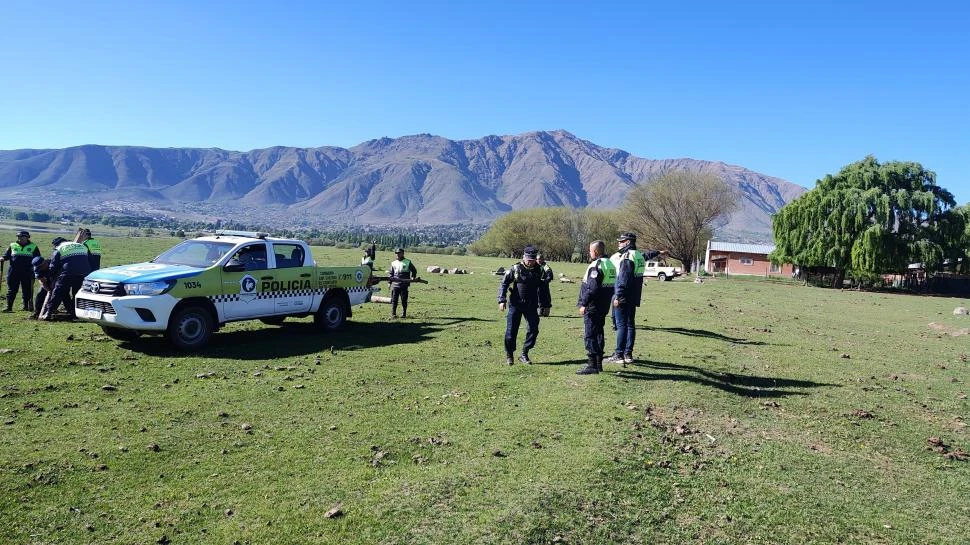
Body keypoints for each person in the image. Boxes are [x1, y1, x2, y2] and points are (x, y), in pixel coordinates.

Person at [605, 232, 661, 366]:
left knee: (621, 325)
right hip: (634, 295)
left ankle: (619, 354)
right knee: (630, 325)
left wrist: (618, 295)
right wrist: (658, 252)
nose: (619, 243)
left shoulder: (627, 256)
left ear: (628, 242)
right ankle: (628, 354)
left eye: (621, 241)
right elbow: (645, 258)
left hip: (623, 295)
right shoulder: (638, 256)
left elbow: (623, 278)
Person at [497, 245, 545, 365]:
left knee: (533, 330)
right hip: (515, 304)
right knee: (511, 332)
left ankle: (524, 353)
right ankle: (509, 354)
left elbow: (543, 289)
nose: (530, 262)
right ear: (524, 257)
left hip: (531, 305)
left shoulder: (539, 270)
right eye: (528, 259)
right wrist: (502, 299)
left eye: (532, 260)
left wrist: (545, 304)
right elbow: (504, 283)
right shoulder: (515, 269)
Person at [576, 240, 617, 375]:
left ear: (595, 251)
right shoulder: (610, 264)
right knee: (599, 332)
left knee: (590, 334)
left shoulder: (596, 265)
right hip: (604, 305)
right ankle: (599, 363)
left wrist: (584, 304)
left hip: (593, 305)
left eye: (590, 250)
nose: (589, 253)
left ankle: (592, 365)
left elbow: (592, 288)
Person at [41, 237, 92, 321]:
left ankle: (48, 313)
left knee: (58, 292)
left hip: (68, 272)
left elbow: (53, 266)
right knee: (77, 293)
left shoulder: (59, 248)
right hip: (84, 273)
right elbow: (91, 260)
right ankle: (75, 314)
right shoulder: (82, 246)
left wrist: (46, 276)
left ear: (56, 244)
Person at [1, 230, 41, 312]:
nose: (20, 238)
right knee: (12, 290)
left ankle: (26, 306)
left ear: (27, 238)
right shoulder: (12, 245)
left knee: (27, 290)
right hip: (13, 272)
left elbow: (38, 259)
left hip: (28, 272)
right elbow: (7, 255)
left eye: (22, 237)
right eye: (19, 237)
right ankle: (9, 307)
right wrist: (3, 258)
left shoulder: (33, 247)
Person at [388, 247, 417, 319]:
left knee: (404, 300)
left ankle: (404, 314)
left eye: (399, 253)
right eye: (396, 253)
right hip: (395, 285)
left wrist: (413, 277)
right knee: (394, 300)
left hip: (404, 285)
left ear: (403, 254)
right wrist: (389, 282)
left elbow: (414, 270)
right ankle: (393, 314)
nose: (397, 254)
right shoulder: (393, 263)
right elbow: (391, 274)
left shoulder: (408, 262)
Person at [536, 252, 553, 317]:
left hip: (544, 284)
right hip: (536, 284)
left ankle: (546, 311)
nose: (539, 260)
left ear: (543, 260)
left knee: (546, 297)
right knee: (537, 297)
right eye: (538, 259)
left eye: (540, 259)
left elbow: (549, 273)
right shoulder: (534, 266)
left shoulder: (545, 266)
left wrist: (547, 279)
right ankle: (539, 311)